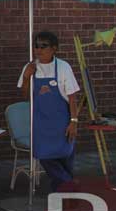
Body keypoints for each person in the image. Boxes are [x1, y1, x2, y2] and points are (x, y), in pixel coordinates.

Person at [18, 31, 80, 192]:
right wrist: (26, 77)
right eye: (36, 46)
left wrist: (73, 122)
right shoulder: (30, 67)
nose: (38, 50)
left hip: (62, 122)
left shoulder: (64, 67)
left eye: (43, 46)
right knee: (44, 156)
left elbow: (72, 97)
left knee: (65, 159)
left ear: (54, 48)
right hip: (40, 124)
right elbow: (25, 96)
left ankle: (64, 196)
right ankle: (70, 187)